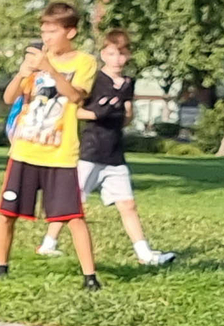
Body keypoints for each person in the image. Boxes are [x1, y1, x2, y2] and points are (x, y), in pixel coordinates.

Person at [39, 26, 174, 266]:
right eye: (112, 54)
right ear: (103, 54)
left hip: (114, 152)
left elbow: (125, 116)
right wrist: (96, 113)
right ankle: (48, 244)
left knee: (128, 204)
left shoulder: (127, 83)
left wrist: (126, 113)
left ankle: (145, 254)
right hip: (89, 150)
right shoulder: (94, 79)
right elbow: (73, 111)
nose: (117, 60)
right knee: (74, 200)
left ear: (128, 56)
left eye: (122, 54)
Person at [0, 0, 100, 290]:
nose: (47, 37)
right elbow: (9, 98)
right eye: (44, 31)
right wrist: (23, 72)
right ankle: (1, 267)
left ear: (71, 32)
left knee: (73, 216)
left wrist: (50, 69)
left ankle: (90, 277)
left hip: (60, 153)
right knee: (6, 213)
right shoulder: (36, 61)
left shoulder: (84, 62)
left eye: (53, 31)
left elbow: (76, 97)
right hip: (25, 149)